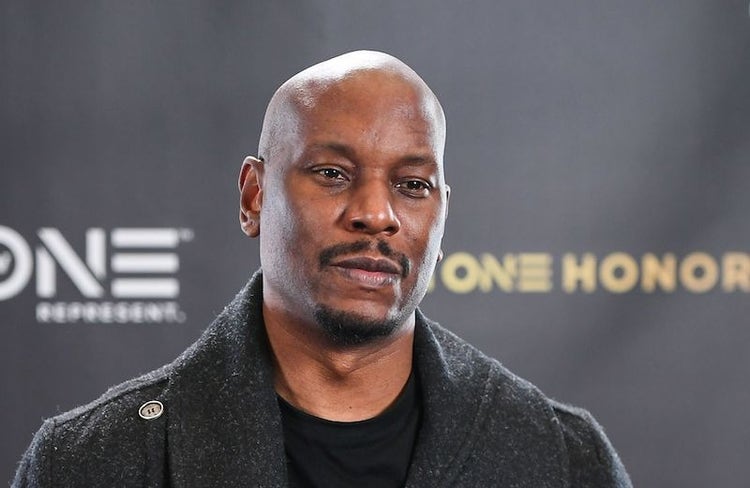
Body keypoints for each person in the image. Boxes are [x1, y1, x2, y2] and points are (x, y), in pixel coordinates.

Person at [14, 50, 632, 487]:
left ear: (442, 216)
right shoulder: (92, 462)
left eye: (413, 185)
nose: (376, 214)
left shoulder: (565, 460)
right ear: (254, 196)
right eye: (332, 173)